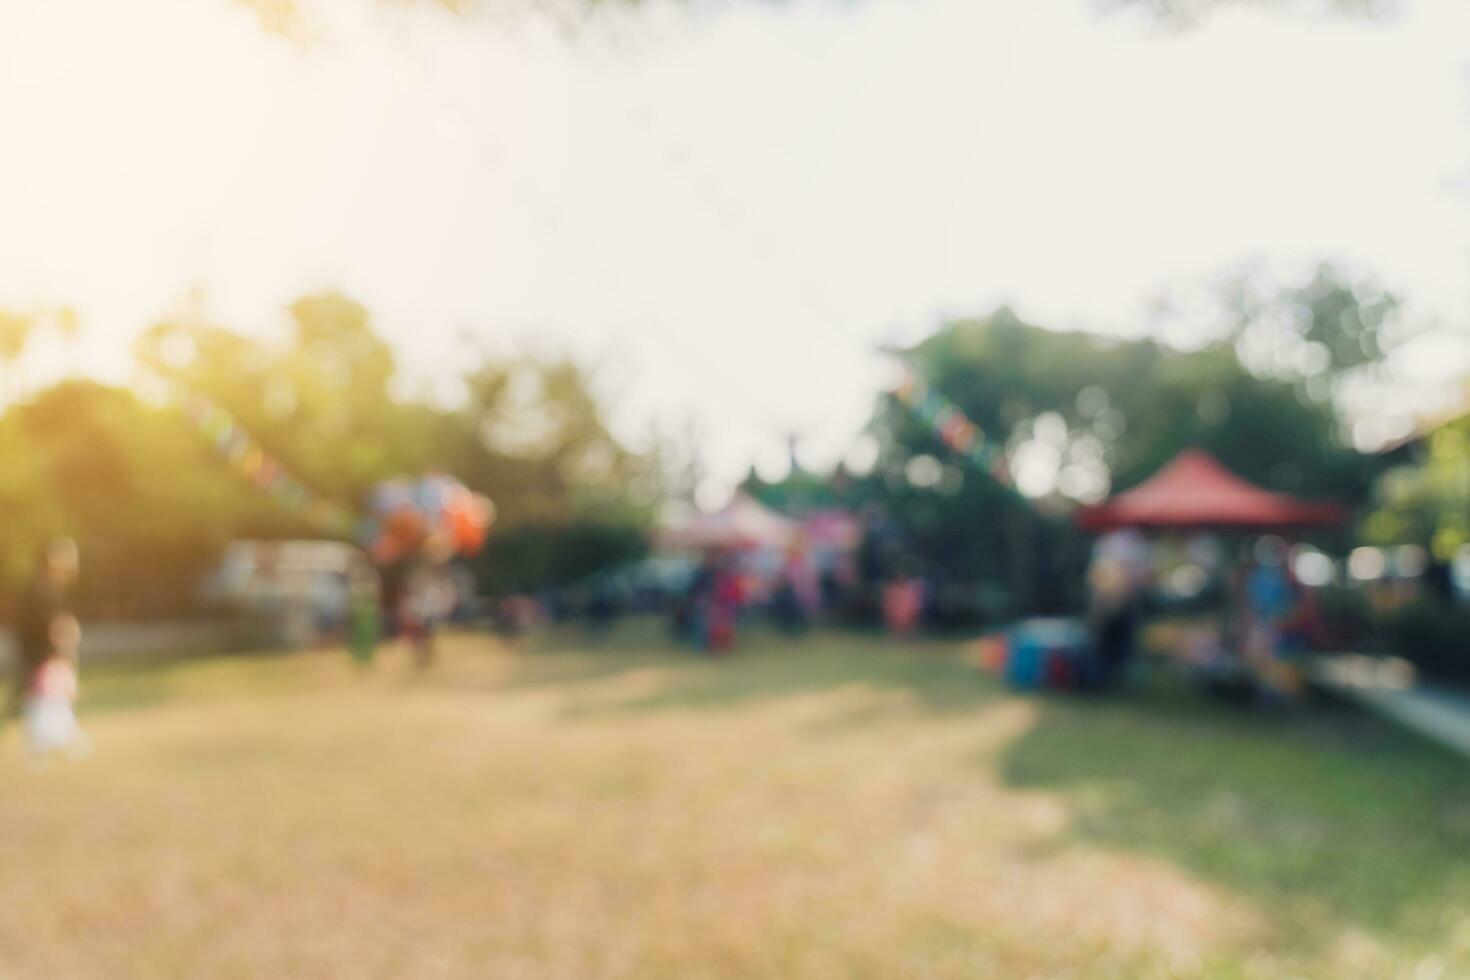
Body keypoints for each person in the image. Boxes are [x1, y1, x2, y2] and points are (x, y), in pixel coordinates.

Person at [9, 538, 81, 725]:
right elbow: (54, 625)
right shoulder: (45, 589)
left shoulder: (48, 587)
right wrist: (64, 648)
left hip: (36, 651)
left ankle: (52, 734)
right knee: (44, 693)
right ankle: (50, 736)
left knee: (40, 692)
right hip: (40, 652)